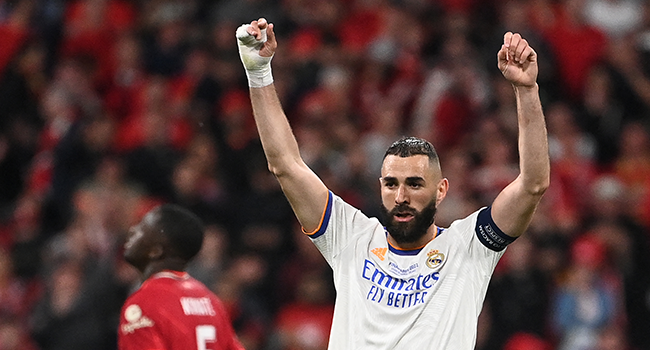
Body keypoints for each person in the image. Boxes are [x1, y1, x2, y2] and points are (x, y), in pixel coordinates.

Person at [236, 17, 549, 350]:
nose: (401, 196)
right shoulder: (349, 236)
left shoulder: (468, 247)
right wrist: (259, 72)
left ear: (441, 190)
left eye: (414, 184)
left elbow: (532, 184)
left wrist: (526, 90)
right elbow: (285, 165)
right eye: (391, 184)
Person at [118, 204, 244, 350]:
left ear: (155, 251)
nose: (132, 230)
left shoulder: (143, 303)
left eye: (141, 228)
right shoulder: (210, 301)